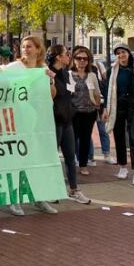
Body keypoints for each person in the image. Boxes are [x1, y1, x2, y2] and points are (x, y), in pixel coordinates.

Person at [0, 36, 59, 216]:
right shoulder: (14, 67)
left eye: (30, 46)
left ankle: (39, 197)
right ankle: (13, 199)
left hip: (37, 121)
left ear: (38, 49)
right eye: (24, 47)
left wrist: (49, 81)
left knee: (37, 161)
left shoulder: (43, 69)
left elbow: (52, 95)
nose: (26, 50)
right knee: (16, 161)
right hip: (17, 121)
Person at [48, 45, 92, 205]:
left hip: (67, 120)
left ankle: (74, 190)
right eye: (67, 54)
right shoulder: (47, 72)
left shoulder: (66, 74)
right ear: (59, 57)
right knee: (53, 157)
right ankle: (50, 190)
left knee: (70, 156)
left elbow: (69, 93)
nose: (69, 57)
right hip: (54, 120)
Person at [104, 43, 134, 186]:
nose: (121, 55)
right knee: (119, 137)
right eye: (118, 53)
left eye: (123, 52)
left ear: (128, 53)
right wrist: (106, 108)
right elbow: (107, 90)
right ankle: (123, 166)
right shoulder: (112, 70)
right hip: (117, 106)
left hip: (133, 106)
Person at [69, 46, 102, 178]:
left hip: (89, 113)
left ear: (88, 61)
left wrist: (97, 104)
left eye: (85, 59)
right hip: (73, 113)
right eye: (79, 58)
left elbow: (97, 93)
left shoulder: (92, 75)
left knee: (85, 139)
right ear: (74, 60)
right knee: (71, 140)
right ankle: (70, 164)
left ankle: (83, 165)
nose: (82, 61)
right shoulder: (68, 75)